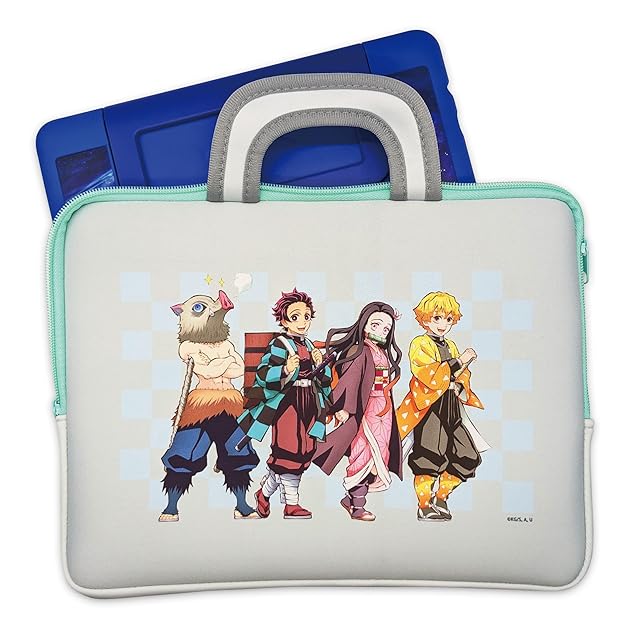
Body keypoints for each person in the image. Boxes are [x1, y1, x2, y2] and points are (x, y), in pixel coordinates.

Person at [238, 289, 332, 519]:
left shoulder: (310, 345)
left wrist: (321, 365)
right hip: (287, 404)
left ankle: (263, 494)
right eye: (295, 317)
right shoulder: (279, 344)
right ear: (284, 320)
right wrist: (286, 369)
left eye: (306, 316)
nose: (302, 322)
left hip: (310, 401)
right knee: (289, 450)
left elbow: (325, 380)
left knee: (305, 451)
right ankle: (292, 504)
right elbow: (263, 375)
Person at [396, 291, 489, 522]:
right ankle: (424, 505)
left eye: (448, 319)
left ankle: (440, 497)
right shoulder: (420, 343)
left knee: (467, 455)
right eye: (436, 318)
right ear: (424, 318)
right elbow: (427, 374)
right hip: (429, 408)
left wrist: (460, 383)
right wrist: (459, 361)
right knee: (429, 456)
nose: (442, 324)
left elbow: (461, 375)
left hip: (451, 406)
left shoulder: (451, 344)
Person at [314, 302, 403, 521]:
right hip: (365, 409)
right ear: (364, 324)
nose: (381, 331)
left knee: (379, 456)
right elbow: (350, 380)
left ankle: (350, 499)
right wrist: (344, 407)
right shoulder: (359, 350)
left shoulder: (381, 352)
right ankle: (357, 507)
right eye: (376, 325)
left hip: (383, 409)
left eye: (386, 328)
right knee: (363, 453)